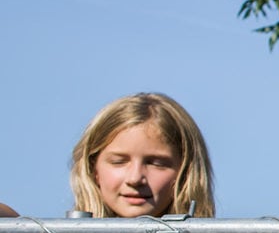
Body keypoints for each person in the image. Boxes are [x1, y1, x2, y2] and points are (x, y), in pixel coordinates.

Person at [2, 92, 215, 220]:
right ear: (93, 168)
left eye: (156, 163)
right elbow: (15, 222)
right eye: (118, 161)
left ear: (186, 171)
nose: (135, 178)